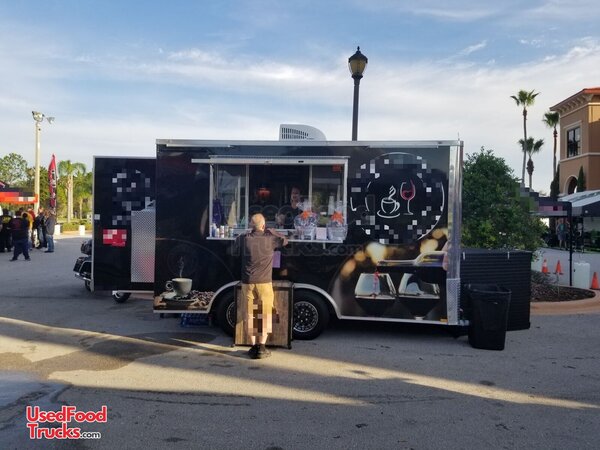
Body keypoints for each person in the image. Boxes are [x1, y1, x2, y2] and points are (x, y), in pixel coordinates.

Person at [233, 213, 288, 359]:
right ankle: (261, 348)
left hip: (248, 283)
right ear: (263, 225)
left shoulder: (245, 238)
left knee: (250, 315)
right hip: (264, 283)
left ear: (251, 226)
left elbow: (235, 242)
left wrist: (249, 231)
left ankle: (253, 347)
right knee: (264, 315)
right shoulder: (270, 238)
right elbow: (285, 240)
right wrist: (271, 230)